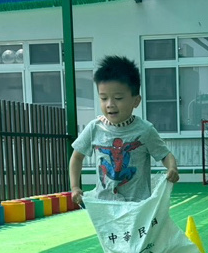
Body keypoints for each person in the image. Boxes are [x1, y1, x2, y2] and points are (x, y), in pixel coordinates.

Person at [69, 55, 179, 205]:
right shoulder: (95, 128)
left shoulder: (144, 130)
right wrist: (75, 187)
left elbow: (165, 154)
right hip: (104, 204)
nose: (110, 104)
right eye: (103, 98)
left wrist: (172, 167)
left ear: (136, 101)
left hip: (137, 205)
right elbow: (77, 157)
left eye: (118, 98)